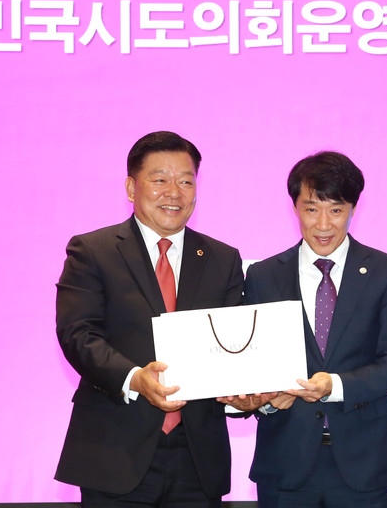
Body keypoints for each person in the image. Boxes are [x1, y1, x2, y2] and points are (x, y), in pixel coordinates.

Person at [54, 131, 244, 507]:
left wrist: (247, 391)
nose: (174, 192)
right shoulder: (93, 250)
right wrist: (135, 378)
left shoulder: (223, 259)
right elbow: (78, 333)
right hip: (114, 452)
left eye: (186, 181)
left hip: (197, 458)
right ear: (131, 187)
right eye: (159, 180)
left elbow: (233, 345)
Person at [240, 151, 387, 508]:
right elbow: (251, 365)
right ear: (294, 208)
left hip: (364, 461)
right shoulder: (263, 276)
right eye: (311, 209)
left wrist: (333, 385)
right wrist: (266, 401)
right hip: (285, 462)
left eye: (336, 210)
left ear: (353, 208)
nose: (323, 224)